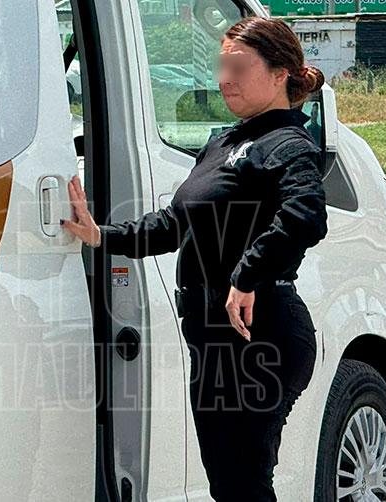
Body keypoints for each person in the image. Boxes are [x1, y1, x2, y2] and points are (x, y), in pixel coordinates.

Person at [61, 16, 327, 502]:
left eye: (238, 67)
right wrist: (100, 235)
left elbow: (306, 216)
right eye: (221, 66)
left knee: (243, 483)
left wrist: (247, 275)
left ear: (279, 74)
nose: (225, 79)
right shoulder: (224, 143)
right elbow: (174, 225)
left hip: (261, 333)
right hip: (212, 337)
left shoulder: (287, 144)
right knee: (229, 484)